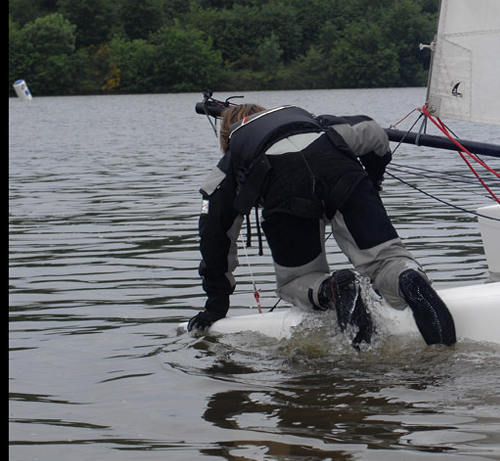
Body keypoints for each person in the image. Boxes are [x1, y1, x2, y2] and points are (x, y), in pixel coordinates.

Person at [187, 103, 457, 348]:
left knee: (296, 280)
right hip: (342, 171)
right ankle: (406, 279)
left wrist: (215, 305)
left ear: (227, 137)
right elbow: (373, 133)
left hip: (285, 191)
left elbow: (214, 234)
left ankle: (334, 288)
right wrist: (372, 182)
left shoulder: (233, 159)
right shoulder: (319, 122)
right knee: (387, 260)